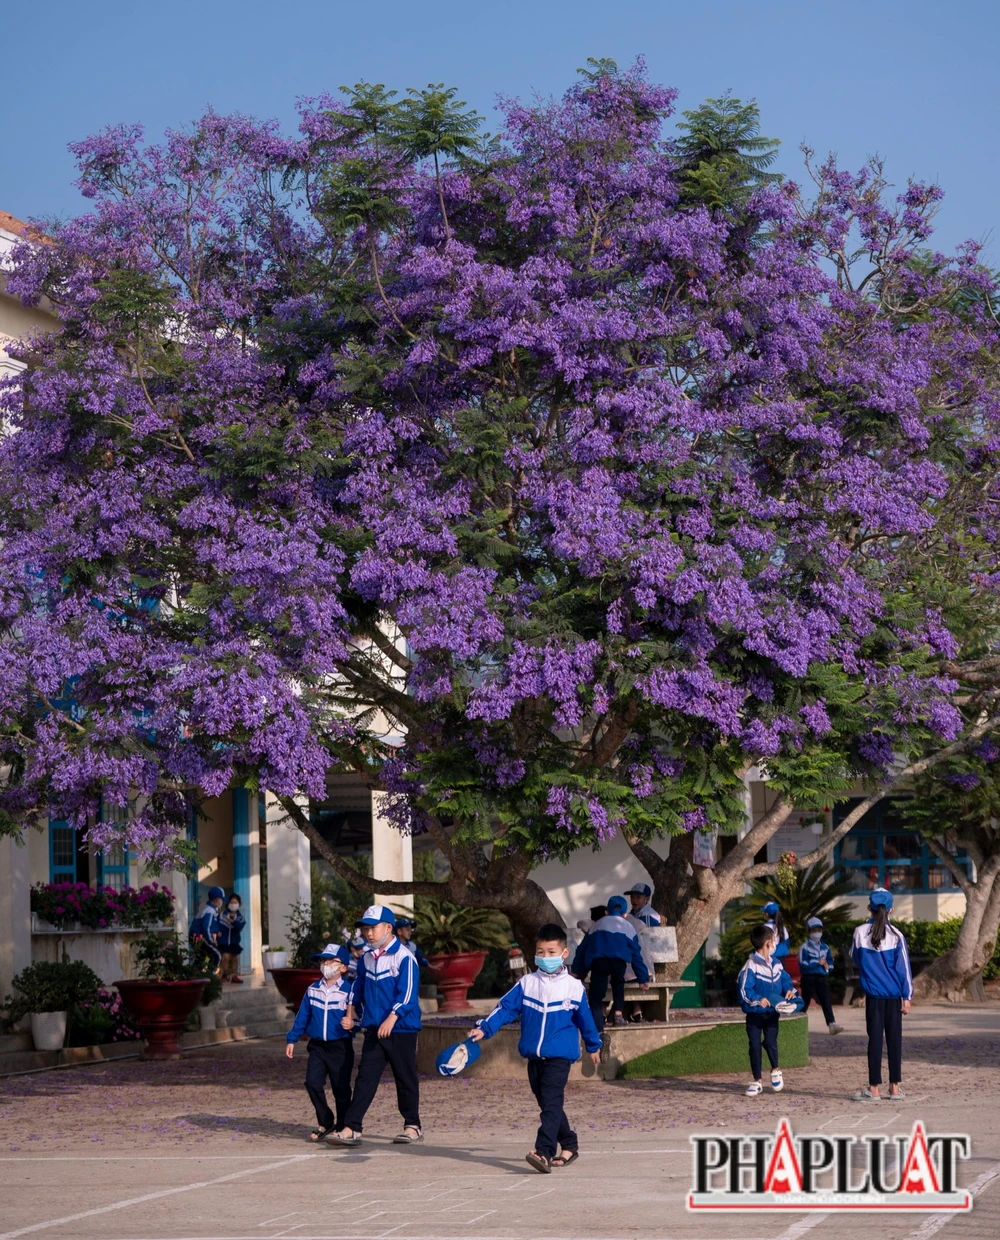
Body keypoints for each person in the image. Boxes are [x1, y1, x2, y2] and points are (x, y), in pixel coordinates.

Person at [468, 923, 602, 1174]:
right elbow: (505, 1009)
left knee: (551, 1102)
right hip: (534, 1057)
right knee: (549, 1104)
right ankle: (569, 1144)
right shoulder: (527, 983)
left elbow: (586, 1019)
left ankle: (544, 1152)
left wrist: (593, 1045)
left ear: (564, 953)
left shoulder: (573, 987)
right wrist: (484, 1028)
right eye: (541, 952)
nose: (546, 957)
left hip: (560, 1057)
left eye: (552, 952)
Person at [328, 905, 423, 1147]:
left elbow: (408, 995)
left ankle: (412, 1126)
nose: (368, 933)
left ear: (388, 928)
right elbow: (357, 988)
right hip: (374, 1029)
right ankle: (352, 1127)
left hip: (401, 1029)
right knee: (365, 1079)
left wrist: (392, 1017)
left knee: (405, 1077)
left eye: (373, 928)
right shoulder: (366, 959)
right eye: (365, 929)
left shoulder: (405, 957)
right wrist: (351, 1013)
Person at [285, 944, 355, 1142]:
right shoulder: (313, 989)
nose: (325, 964)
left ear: (343, 967)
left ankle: (342, 1126)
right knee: (312, 1083)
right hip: (317, 1046)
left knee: (341, 1089)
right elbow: (302, 1016)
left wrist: (353, 1024)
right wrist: (292, 1038)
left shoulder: (349, 991)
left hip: (340, 1047)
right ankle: (326, 1121)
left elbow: (360, 1017)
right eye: (323, 960)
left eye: (330, 961)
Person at [850, 888, 912, 1101]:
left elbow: (855, 957)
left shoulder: (859, 932)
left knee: (875, 1040)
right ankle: (894, 1088)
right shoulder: (897, 935)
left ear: (869, 908)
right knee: (894, 1041)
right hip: (894, 997)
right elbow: (904, 969)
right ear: (891, 909)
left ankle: (874, 1088)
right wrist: (907, 997)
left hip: (874, 997)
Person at [571, 896, 649, 1030]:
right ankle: (618, 1014)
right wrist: (643, 979)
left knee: (595, 998)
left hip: (599, 964)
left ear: (607, 911)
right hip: (619, 964)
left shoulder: (597, 925)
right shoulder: (628, 927)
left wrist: (577, 971)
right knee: (618, 983)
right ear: (625, 914)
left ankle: (598, 1029)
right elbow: (636, 955)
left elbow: (582, 949)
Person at [737, 924, 797, 1096]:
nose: (775, 943)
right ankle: (757, 1081)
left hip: (772, 1014)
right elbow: (744, 991)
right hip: (754, 1015)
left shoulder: (777, 964)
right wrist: (758, 1000)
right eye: (773, 940)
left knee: (770, 1042)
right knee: (754, 1045)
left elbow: (785, 981)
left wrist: (789, 991)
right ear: (768, 943)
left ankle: (775, 1069)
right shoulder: (750, 966)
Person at [798, 916, 843, 1034]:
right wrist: (817, 962)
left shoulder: (825, 947)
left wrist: (827, 967)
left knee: (826, 1000)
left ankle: (831, 1023)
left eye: (819, 930)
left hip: (821, 977)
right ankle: (796, 1022)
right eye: (814, 930)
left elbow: (830, 962)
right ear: (809, 932)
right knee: (805, 1001)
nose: (817, 933)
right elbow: (802, 963)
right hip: (808, 977)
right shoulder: (805, 947)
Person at [190, 886, 225, 973]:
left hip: (196, 936)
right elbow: (206, 927)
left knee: (200, 958)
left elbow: (211, 925)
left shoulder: (208, 908)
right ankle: (209, 976)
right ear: (216, 900)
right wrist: (211, 940)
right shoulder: (210, 910)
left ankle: (194, 975)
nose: (222, 901)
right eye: (221, 899)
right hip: (199, 936)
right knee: (217, 955)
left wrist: (216, 931)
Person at [217, 893, 246, 983]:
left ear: (239, 904)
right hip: (223, 942)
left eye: (235, 902)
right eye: (231, 902)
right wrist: (217, 932)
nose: (233, 904)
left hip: (234, 942)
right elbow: (216, 925)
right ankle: (223, 975)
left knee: (235, 958)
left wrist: (233, 921)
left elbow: (239, 927)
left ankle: (234, 976)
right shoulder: (222, 915)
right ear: (228, 903)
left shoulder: (240, 918)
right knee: (225, 957)